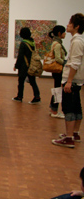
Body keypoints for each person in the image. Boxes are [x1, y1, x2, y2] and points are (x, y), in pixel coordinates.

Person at [52, 13, 84, 148]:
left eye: (70, 23)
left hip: (73, 79)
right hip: (76, 79)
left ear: (76, 26)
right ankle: (74, 133)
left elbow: (75, 63)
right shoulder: (79, 40)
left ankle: (69, 137)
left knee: (69, 107)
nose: (67, 25)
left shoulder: (77, 41)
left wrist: (69, 81)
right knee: (76, 106)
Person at [12, 27, 41, 104]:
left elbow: (20, 56)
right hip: (31, 65)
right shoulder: (32, 42)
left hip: (24, 66)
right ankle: (37, 97)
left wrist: (16, 66)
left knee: (21, 82)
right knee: (33, 82)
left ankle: (19, 97)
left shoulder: (23, 43)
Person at [48, 25, 67, 119]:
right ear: (60, 33)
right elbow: (58, 58)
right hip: (58, 70)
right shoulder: (58, 44)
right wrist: (66, 63)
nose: (65, 34)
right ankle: (54, 110)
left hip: (57, 71)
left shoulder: (55, 43)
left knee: (57, 89)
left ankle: (53, 109)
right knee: (58, 89)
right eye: (64, 32)